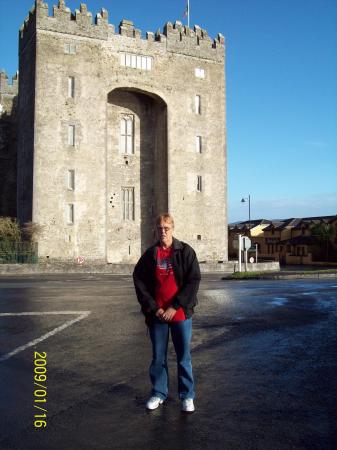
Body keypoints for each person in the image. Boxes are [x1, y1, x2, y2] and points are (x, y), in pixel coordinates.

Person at [133, 213, 201, 413]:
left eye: (167, 228)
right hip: (158, 316)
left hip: (179, 314)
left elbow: (193, 281)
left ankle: (187, 396)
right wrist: (154, 308)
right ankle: (158, 393)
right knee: (158, 358)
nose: (163, 231)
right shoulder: (150, 254)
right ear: (156, 230)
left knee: (183, 357)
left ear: (173, 229)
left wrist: (175, 306)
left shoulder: (185, 251)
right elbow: (139, 280)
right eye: (160, 228)